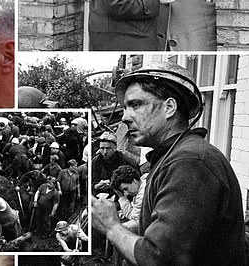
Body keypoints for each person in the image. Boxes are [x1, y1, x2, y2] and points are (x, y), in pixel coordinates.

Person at [92, 62, 246, 264]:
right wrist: (137, 229)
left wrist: (112, 227)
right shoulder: (174, 156)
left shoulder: (190, 163)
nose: (125, 117)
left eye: (136, 105)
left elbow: (159, 258)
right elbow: (184, 231)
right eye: (125, 108)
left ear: (170, 107)